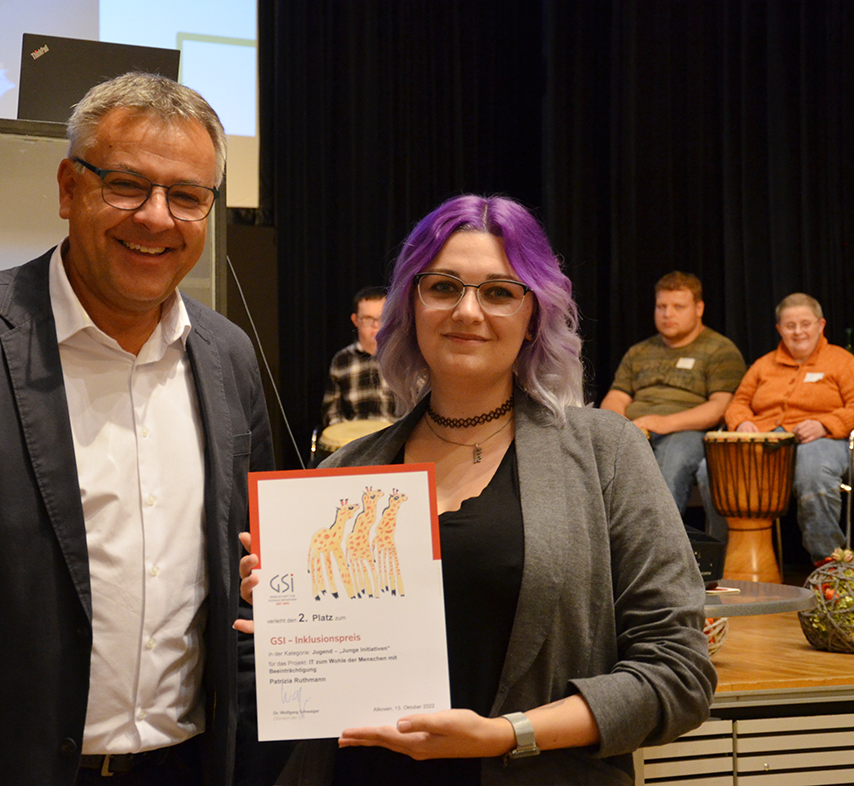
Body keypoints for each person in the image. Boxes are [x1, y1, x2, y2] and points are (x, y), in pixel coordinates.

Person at [0, 72, 274, 786]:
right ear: (68, 188)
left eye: (187, 196)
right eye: (126, 185)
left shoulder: (229, 357)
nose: (156, 218)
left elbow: (254, 587)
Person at [236, 195, 715, 785]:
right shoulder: (343, 474)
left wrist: (507, 734)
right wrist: (290, 622)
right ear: (411, 306)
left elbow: (678, 673)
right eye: (443, 287)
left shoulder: (605, 452)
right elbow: (311, 691)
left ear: (534, 316)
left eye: (498, 292)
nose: (467, 311)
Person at [698, 293, 854, 562]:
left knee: (813, 470)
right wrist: (742, 422)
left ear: (821, 325)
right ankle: (722, 557)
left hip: (822, 440)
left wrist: (824, 424)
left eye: (805, 324)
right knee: (709, 468)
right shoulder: (763, 365)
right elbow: (737, 404)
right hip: (764, 441)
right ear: (779, 329)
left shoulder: (843, 361)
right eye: (790, 325)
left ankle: (829, 562)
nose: (798, 332)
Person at [600, 272, 745, 516]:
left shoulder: (720, 350)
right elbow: (616, 397)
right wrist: (621, 426)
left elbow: (721, 407)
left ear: (699, 309)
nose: (668, 314)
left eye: (678, 307)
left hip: (690, 433)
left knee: (674, 454)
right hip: (636, 431)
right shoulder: (639, 351)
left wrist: (663, 423)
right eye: (661, 307)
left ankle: (659, 535)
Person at [321, 286, 399, 429]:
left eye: (382, 318)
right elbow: (331, 412)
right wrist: (345, 435)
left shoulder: (404, 358)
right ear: (356, 320)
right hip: (355, 439)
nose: (376, 326)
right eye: (368, 319)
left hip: (396, 437)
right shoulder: (342, 360)